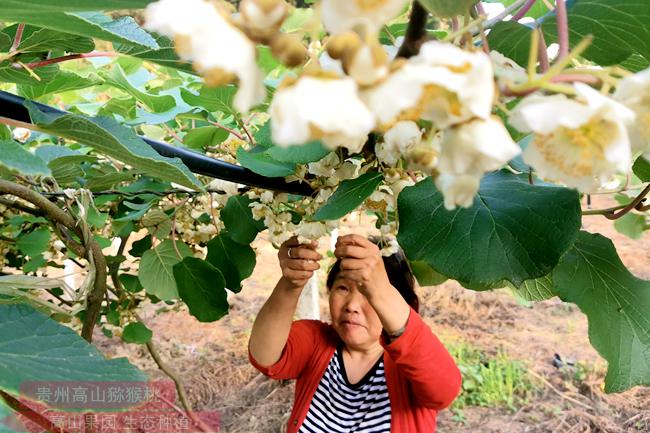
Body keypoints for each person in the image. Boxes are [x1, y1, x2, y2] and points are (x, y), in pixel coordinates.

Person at [248, 234, 462, 433]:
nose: (352, 305)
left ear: (402, 303)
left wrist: (380, 290)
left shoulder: (412, 366)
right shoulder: (317, 342)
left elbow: (444, 390)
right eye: (343, 288)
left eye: (368, 293)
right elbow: (265, 356)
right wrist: (291, 283)